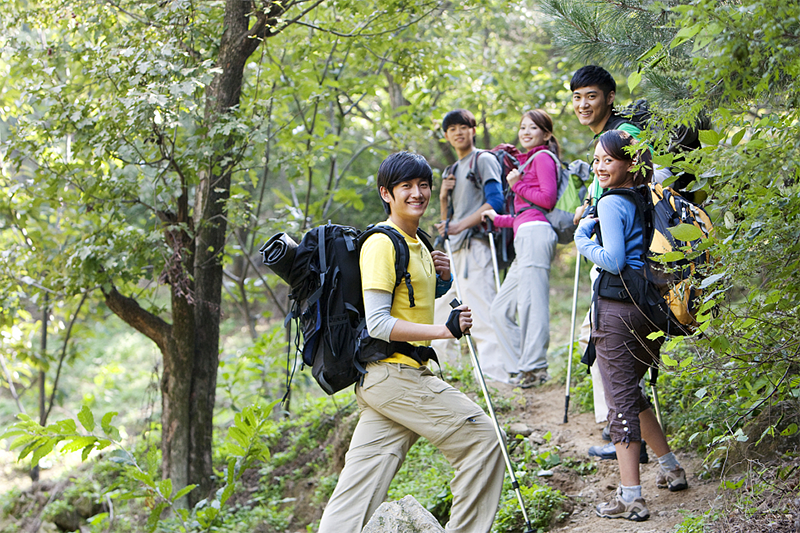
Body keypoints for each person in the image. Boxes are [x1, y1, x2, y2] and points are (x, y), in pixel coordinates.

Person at [317, 151, 505, 533]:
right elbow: (379, 323)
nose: (417, 193)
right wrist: (445, 331)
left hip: (386, 381)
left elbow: (413, 301)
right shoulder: (382, 244)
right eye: (406, 186)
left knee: (357, 489)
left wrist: (443, 281)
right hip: (395, 375)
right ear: (386, 193)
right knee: (483, 441)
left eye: (423, 185)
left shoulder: (416, 240)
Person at [574, 130, 688, 522]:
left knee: (619, 404)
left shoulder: (609, 202)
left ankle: (631, 497)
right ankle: (671, 467)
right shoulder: (646, 194)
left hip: (618, 309)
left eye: (608, 160)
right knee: (632, 395)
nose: (600, 167)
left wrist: (582, 240)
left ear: (628, 163)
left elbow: (614, 259)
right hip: (648, 307)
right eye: (596, 161)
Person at [570, 65, 650, 463]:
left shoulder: (623, 135)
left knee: (605, 348)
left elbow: (642, 183)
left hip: (623, 268)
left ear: (610, 97)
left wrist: (585, 232)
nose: (583, 104)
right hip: (626, 261)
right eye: (577, 97)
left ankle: (620, 435)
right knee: (612, 355)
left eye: (591, 96)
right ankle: (635, 440)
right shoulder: (609, 138)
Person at [481, 110, 559, 387]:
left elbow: (546, 200)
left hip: (536, 235)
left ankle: (535, 368)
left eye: (533, 128)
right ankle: (519, 367)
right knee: (499, 309)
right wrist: (496, 219)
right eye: (522, 127)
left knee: (532, 305)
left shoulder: (543, 158)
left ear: (546, 134)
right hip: (524, 234)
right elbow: (525, 213)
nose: (525, 132)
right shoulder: (527, 163)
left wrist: (517, 184)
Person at [432, 109, 506, 382]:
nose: (458, 132)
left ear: (473, 130)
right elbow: (446, 222)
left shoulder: (483, 159)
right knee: (441, 311)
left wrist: (460, 225)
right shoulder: (451, 170)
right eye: (452, 129)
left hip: (476, 245)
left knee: (480, 311)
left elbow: (495, 202)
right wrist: (442, 198)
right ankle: (445, 374)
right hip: (453, 251)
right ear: (446, 136)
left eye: (464, 127)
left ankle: (494, 377)